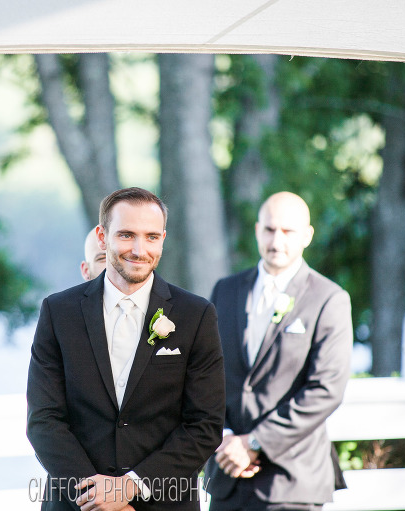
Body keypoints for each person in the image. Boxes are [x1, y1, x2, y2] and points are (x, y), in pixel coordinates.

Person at [27, 187, 225, 511]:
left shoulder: (196, 315)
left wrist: (129, 488)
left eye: (151, 237)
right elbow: (43, 420)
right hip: (77, 503)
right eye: (126, 235)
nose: (138, 249)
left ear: (163, 239)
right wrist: (96, 496)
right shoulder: (58, 312)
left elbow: (204, 425)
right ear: (102, 237)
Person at [204, 191, 352, 511]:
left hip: (291, 480)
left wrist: (256, 442)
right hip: (227, 473)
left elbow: (326, 389)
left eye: (288, 231)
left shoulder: (329, 298)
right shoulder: (225, 290)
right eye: (270, 230)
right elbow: (205, 373)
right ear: (258, 230)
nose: (276, 241)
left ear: (307, 236)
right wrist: (224, 436)